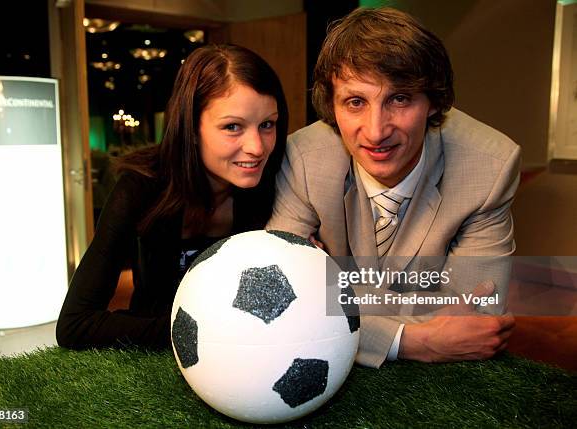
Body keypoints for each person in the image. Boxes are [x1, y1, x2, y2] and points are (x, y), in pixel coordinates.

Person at [266, 7, 518, 368]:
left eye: (399, 99)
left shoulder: (490, 167)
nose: (376, 131)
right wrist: (411, 341)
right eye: (355, 102)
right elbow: (279, 298)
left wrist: (328, 289)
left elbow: (474, 316)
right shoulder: (304, 158)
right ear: (332, 108)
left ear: (433, 102)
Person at [57, 44, 288, 350]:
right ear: (190, 127)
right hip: (159, 363)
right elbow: (75, 324)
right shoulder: (140, 188)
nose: (257, 147)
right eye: (232, 127)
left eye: (267, 125)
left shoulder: (279, 179)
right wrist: (206, 334)